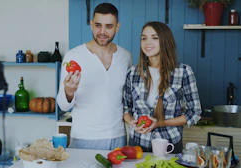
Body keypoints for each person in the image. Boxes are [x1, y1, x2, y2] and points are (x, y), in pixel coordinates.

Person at [57, 3, 132, 150]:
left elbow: (127, 98)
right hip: (85, 137)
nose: (102, 31)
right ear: (91, 25)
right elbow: (63, 105)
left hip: (118, 137)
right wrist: (69, 92)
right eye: (98, 25)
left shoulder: (125, 56)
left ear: (117, 27)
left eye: (109, 26)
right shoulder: (73, 56)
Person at [123, 21, 202, 154]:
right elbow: (126, 109)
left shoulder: (183, 72)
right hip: (137, 143)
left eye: (154, 38)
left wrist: (161, 123)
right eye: (144, 38)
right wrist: (133, 123)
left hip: (169, 143)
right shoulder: (132, 73)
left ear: (165, 41)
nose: (147, 43)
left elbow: (194, 113)